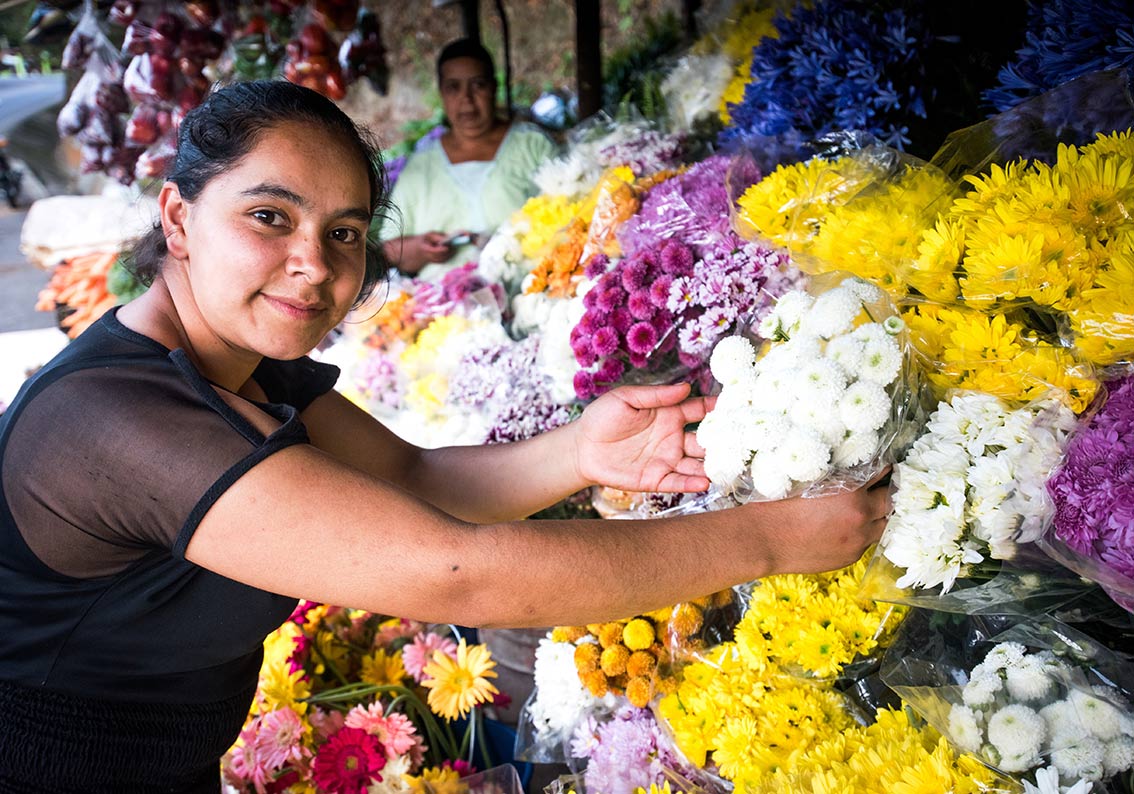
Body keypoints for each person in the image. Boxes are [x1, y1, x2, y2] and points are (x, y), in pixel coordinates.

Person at [0, 80, 890, 792]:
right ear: (177, 218)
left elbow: (410, 474)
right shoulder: (116, 421)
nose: (315, 265)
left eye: (343, 232)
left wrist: (581, 451)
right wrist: (772, 538)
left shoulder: (239, 366)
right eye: (270, 217)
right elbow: (455, 571)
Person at [380, 38, 559, 279]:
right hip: (442, 310)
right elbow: (389, 250)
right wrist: (420, 249)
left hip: (532, 293)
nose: (466, 98)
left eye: (478, 85)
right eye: (454, 87)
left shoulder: (533, 146)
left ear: (494, 88)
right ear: (442, 93)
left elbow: (568, 217)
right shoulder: (422, 166)